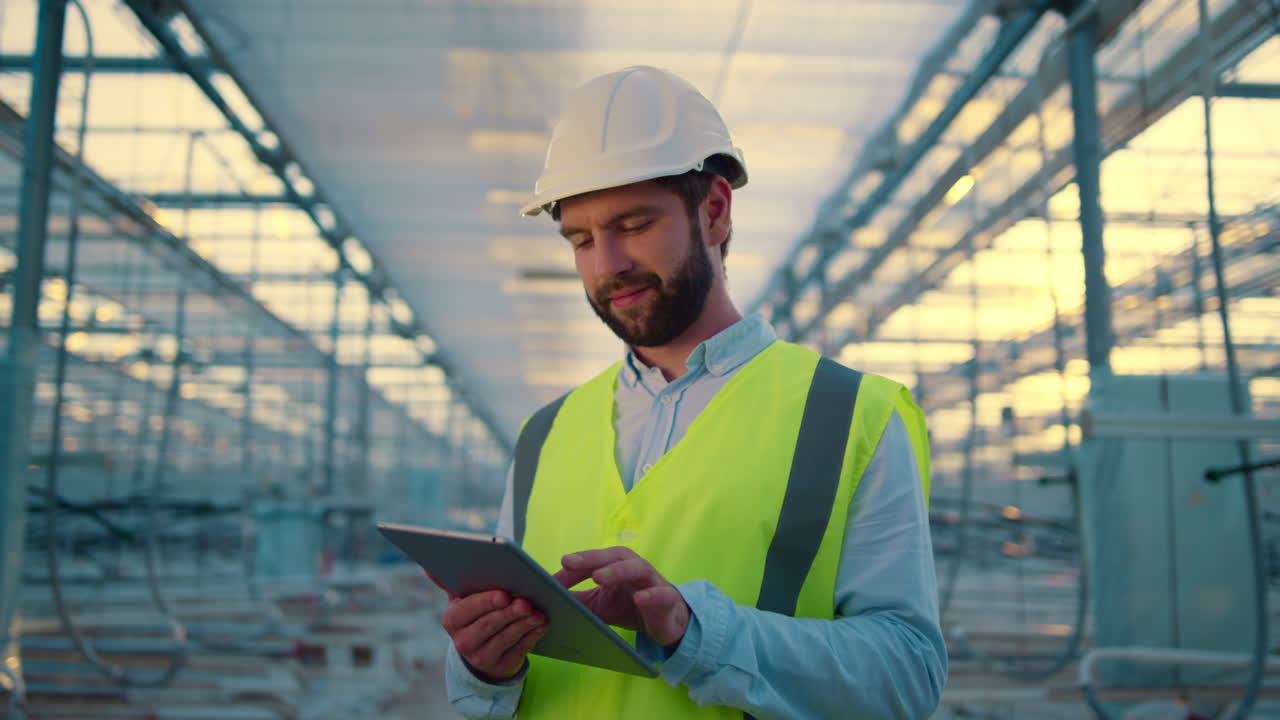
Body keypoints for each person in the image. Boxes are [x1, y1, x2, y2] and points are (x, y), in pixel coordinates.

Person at [436, 65, 946, 719]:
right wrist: (484, 669)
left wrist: (693, 631)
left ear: (713, 210)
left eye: (634, 224)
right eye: (581, 240)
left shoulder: (852, 416)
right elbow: (494, 700)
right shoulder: (545, 434)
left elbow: (906, 679)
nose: (607, 263)